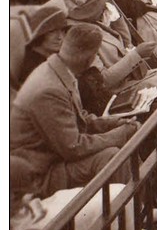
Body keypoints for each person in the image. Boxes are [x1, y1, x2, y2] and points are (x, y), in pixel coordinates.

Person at [10, 25, 140, 197]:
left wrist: (112, 123)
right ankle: (134, 213)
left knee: (116, 147)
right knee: (111, 156)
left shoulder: (59, 70)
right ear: (89, 58)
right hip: (38, 175)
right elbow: (72, 148)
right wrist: (115, 136)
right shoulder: (49, 89)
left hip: (53, 160)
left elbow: (80, 118)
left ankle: (141, 203)